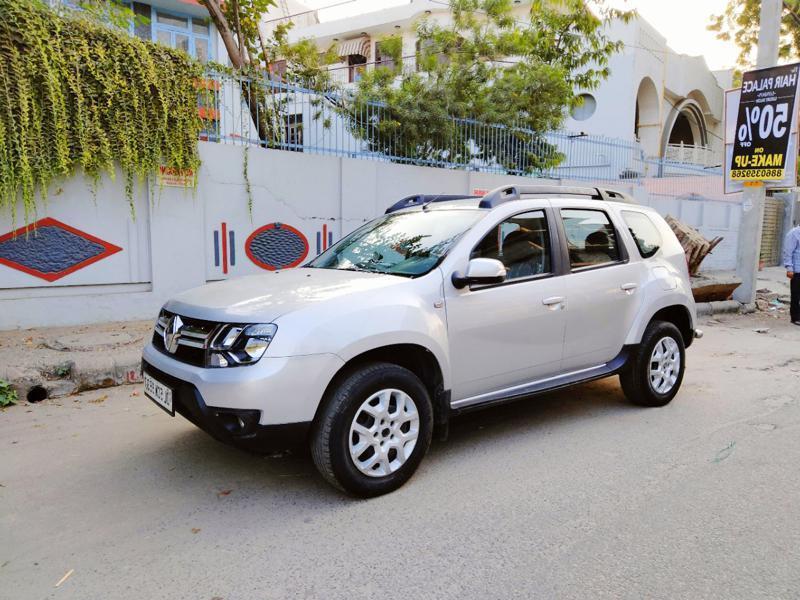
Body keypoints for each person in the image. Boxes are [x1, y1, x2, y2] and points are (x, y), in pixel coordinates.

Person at [783, 222, 800, 325]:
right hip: (797, 270)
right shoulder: (794, 233)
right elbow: (788, 252)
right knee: (796, 295)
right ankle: (795, 317)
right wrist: (789, 268)